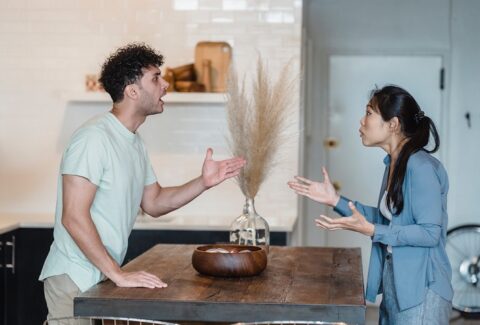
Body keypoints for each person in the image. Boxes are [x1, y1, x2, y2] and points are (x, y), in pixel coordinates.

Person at [39, 43, 246, 323]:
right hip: (74, 277)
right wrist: (118, 274)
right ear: (132, 91)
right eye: (156, 78)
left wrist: (204, 182)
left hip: (101, 276)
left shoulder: (134, 142)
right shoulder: (93, 138)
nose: (165, 85)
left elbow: (154, 202)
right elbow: (73, 216)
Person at [288, 85, 453, 324]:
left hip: (423, 289)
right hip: (396, 281)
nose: (362, 120)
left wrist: (374, 231)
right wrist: (335, 200)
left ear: (393, 124)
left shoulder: (421, 167)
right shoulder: (394, 163)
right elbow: (390, 220)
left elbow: (429, 233)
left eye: (369, 113)